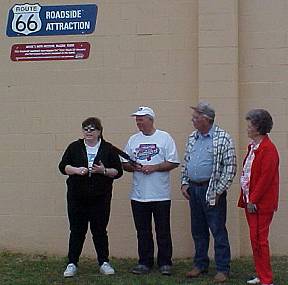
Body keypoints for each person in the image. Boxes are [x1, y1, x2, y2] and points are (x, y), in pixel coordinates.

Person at [59, 117, 123, 278]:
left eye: (92, 129)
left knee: (99, 230)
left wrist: (103, 171)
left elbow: (118, 171)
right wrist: (76, 170)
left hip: (100, 197)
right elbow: (63, 167)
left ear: (99, 132)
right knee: (77, 230)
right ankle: (72, 263)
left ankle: (104, 262)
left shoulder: (108, 148)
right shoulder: (74, 147)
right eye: (85, 129)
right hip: (77, 197)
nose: (88, 132)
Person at [180, 102, 237, 283]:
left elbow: (230, 167)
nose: (192, 120)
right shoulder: (192, 137)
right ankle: (200, 264)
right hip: (193, 189)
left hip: (212, 190)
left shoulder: (223, 138)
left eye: (195, 117)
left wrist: (219, 190)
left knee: (218, 230)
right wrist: (184, 183)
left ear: (206, 119)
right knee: (198, 230)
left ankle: (222, 268)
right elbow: (186, 161)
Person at [122, 106, 179, 276]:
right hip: (139, 195)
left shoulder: (165, 138)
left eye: (141, 119)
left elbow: (173, 162)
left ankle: (165, 263)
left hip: (160, 194)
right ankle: (145, 262)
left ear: (150, 119)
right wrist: (134, 167)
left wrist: (154, 167)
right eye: (137, 119)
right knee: (143, 231)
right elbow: (124, 164)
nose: (138, 122)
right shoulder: (133, 140)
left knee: (163, 230)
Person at [238, 109, 279, 285]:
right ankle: (261, 275)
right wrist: (248, 199)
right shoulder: (253, 147)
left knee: (260, 240)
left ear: (259, 127)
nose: (248, 127)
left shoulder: (268, 149)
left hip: (260, 204)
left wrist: (253, 199)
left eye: (251, 124)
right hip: (251, 201)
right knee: (255, 240)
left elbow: (265, 179)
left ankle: (266, 279)